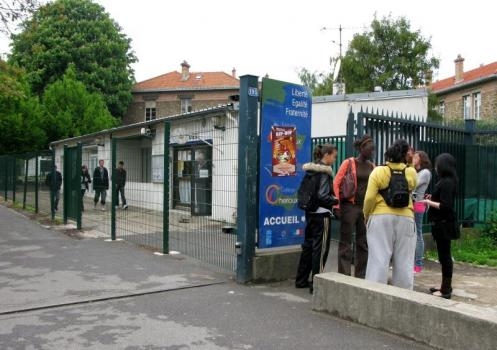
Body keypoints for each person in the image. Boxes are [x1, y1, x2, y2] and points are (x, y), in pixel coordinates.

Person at [363, 139, 418, 290]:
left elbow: (369, 198)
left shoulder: (379, 171)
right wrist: (411, 163)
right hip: (406, 218)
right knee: (405, 261)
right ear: (405, 155)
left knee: (379, 259)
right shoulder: (411, 172)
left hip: (381, 218)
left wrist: (367, 215)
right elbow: (413, 185)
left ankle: (375, 294)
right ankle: (404, 298)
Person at [295, 144, 339, 294]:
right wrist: (335, 200)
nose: (334, 158)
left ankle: (300, 280)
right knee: (320, 250)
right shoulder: (325, 173)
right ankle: (316, 284)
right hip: (322, 215)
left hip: (310, 213)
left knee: (307, 246)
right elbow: (323, 196)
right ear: (326, 155)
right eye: (334, 155)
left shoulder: (310, 171)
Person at [333, 134, 375, 278]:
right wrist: (337, 206)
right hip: (349, 207)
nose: (372, 152)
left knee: (363, 243)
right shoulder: (349, 163)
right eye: (370, 149)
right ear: (362, 148)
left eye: (373, 149)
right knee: (346, 241)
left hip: (364, 209)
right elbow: (336, 183)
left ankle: (361, 276)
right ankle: (344, 275)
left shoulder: (372, 166)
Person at [420, 153, 459, 299]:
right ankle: (444, 286)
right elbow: (442, 199)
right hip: (442, 224)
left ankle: (446, 290)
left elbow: (446, 206)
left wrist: (428, 203)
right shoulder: (447, 181)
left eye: (437, 164)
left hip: (444, 225)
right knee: (444, 257)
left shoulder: (447, 182)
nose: (435, 167)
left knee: (445, 257)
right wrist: (433, 198)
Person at [412, 151, 432, 273]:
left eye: (415, 157)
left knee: (418, 234)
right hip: (414, 204)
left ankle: (418, 265)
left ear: (421, 159)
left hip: (418, 204)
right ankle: (413, 263)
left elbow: (413, 185)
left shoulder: (425, 173)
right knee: (413, 234)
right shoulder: (418, 172)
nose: (413, 159)